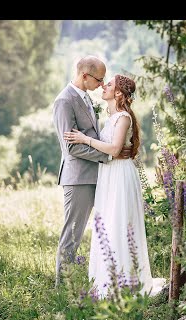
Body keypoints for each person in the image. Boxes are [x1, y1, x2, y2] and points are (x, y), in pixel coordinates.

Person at [64, 74, 166, 298]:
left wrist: (84, 139)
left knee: (119, 223)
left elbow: (113, 149)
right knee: (107, 224)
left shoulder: (123, 117)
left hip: (120, 175)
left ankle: (123, 283)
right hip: (108, 173)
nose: (103, 85)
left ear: (118, 93)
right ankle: (107, 281)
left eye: (108, 84)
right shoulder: (111, 117)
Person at [53, 56, 130, 287]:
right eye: (99, 79)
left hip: (100, 175)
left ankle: (112, 280)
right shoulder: (64, 101)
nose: (102, 84)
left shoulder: (86, 97)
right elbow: (72, 147)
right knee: (73, 233)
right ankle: (62, 288)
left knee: (109, 226)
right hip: (79, 178)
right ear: (85, 76)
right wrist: (109, 155)